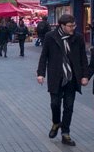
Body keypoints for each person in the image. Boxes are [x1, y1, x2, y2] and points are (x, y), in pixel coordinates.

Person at [37, 14, 88, 147]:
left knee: (69, 106)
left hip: (72, 77)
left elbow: (83, 58)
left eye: (74, 25)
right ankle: (56, 122)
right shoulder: (50, 36)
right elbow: (44, 56)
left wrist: (85, 75)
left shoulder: (78, 38)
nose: (73, 28)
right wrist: (40, 73)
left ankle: (65, 133)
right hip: (56, 76)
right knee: (55, 103)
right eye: (70, 26)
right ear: (62, 26)